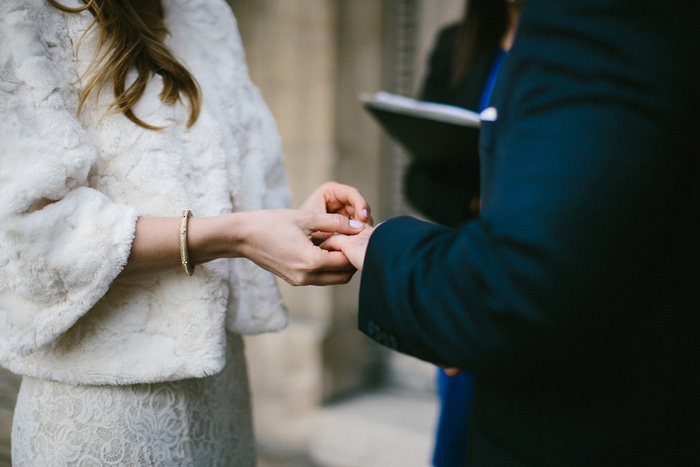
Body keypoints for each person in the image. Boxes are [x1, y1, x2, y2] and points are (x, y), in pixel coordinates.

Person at [324, 0, 700, 463]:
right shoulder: (466, 45)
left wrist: (379, 245)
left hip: (580, 408)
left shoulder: (598, 19)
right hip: (472, 288)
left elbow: (516, 294)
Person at [0, 0, 370, 464]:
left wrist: (296, 224)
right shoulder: (22, 14)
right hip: (103, 410)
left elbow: (218, 180)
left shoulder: (204, 11)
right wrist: (238, 236)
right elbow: (30, 235)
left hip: (220, 388)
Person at [405, 2, 523, 464]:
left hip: (530, 274)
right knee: (459, 434)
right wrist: (475, 203)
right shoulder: (459, 44)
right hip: (468, 275)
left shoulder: (567, 51)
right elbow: (418, 180)